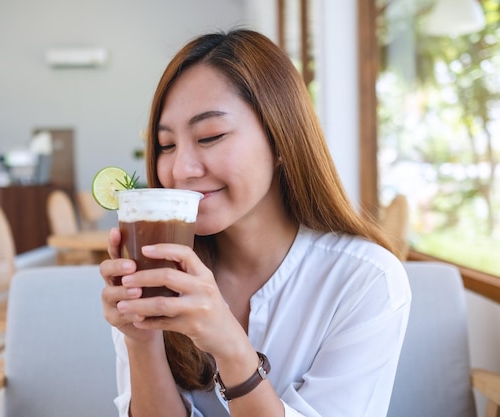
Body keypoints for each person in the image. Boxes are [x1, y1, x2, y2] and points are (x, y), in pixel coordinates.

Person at [99, 28, 411, 417]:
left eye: (210, 136)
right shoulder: (155, 271)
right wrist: (142, 340)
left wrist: (230, 347)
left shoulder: (365, 280)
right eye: (166, 145)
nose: (180, 169)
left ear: (281, 139)